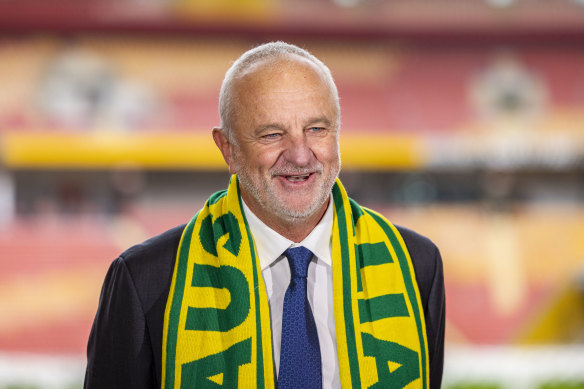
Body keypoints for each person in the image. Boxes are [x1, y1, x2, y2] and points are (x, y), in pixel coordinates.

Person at [84, 41, 445, 389]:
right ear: (228, 148)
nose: (301, 156)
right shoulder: (145, 278)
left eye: (317, 129)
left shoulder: (417, 265)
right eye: (272, 134)